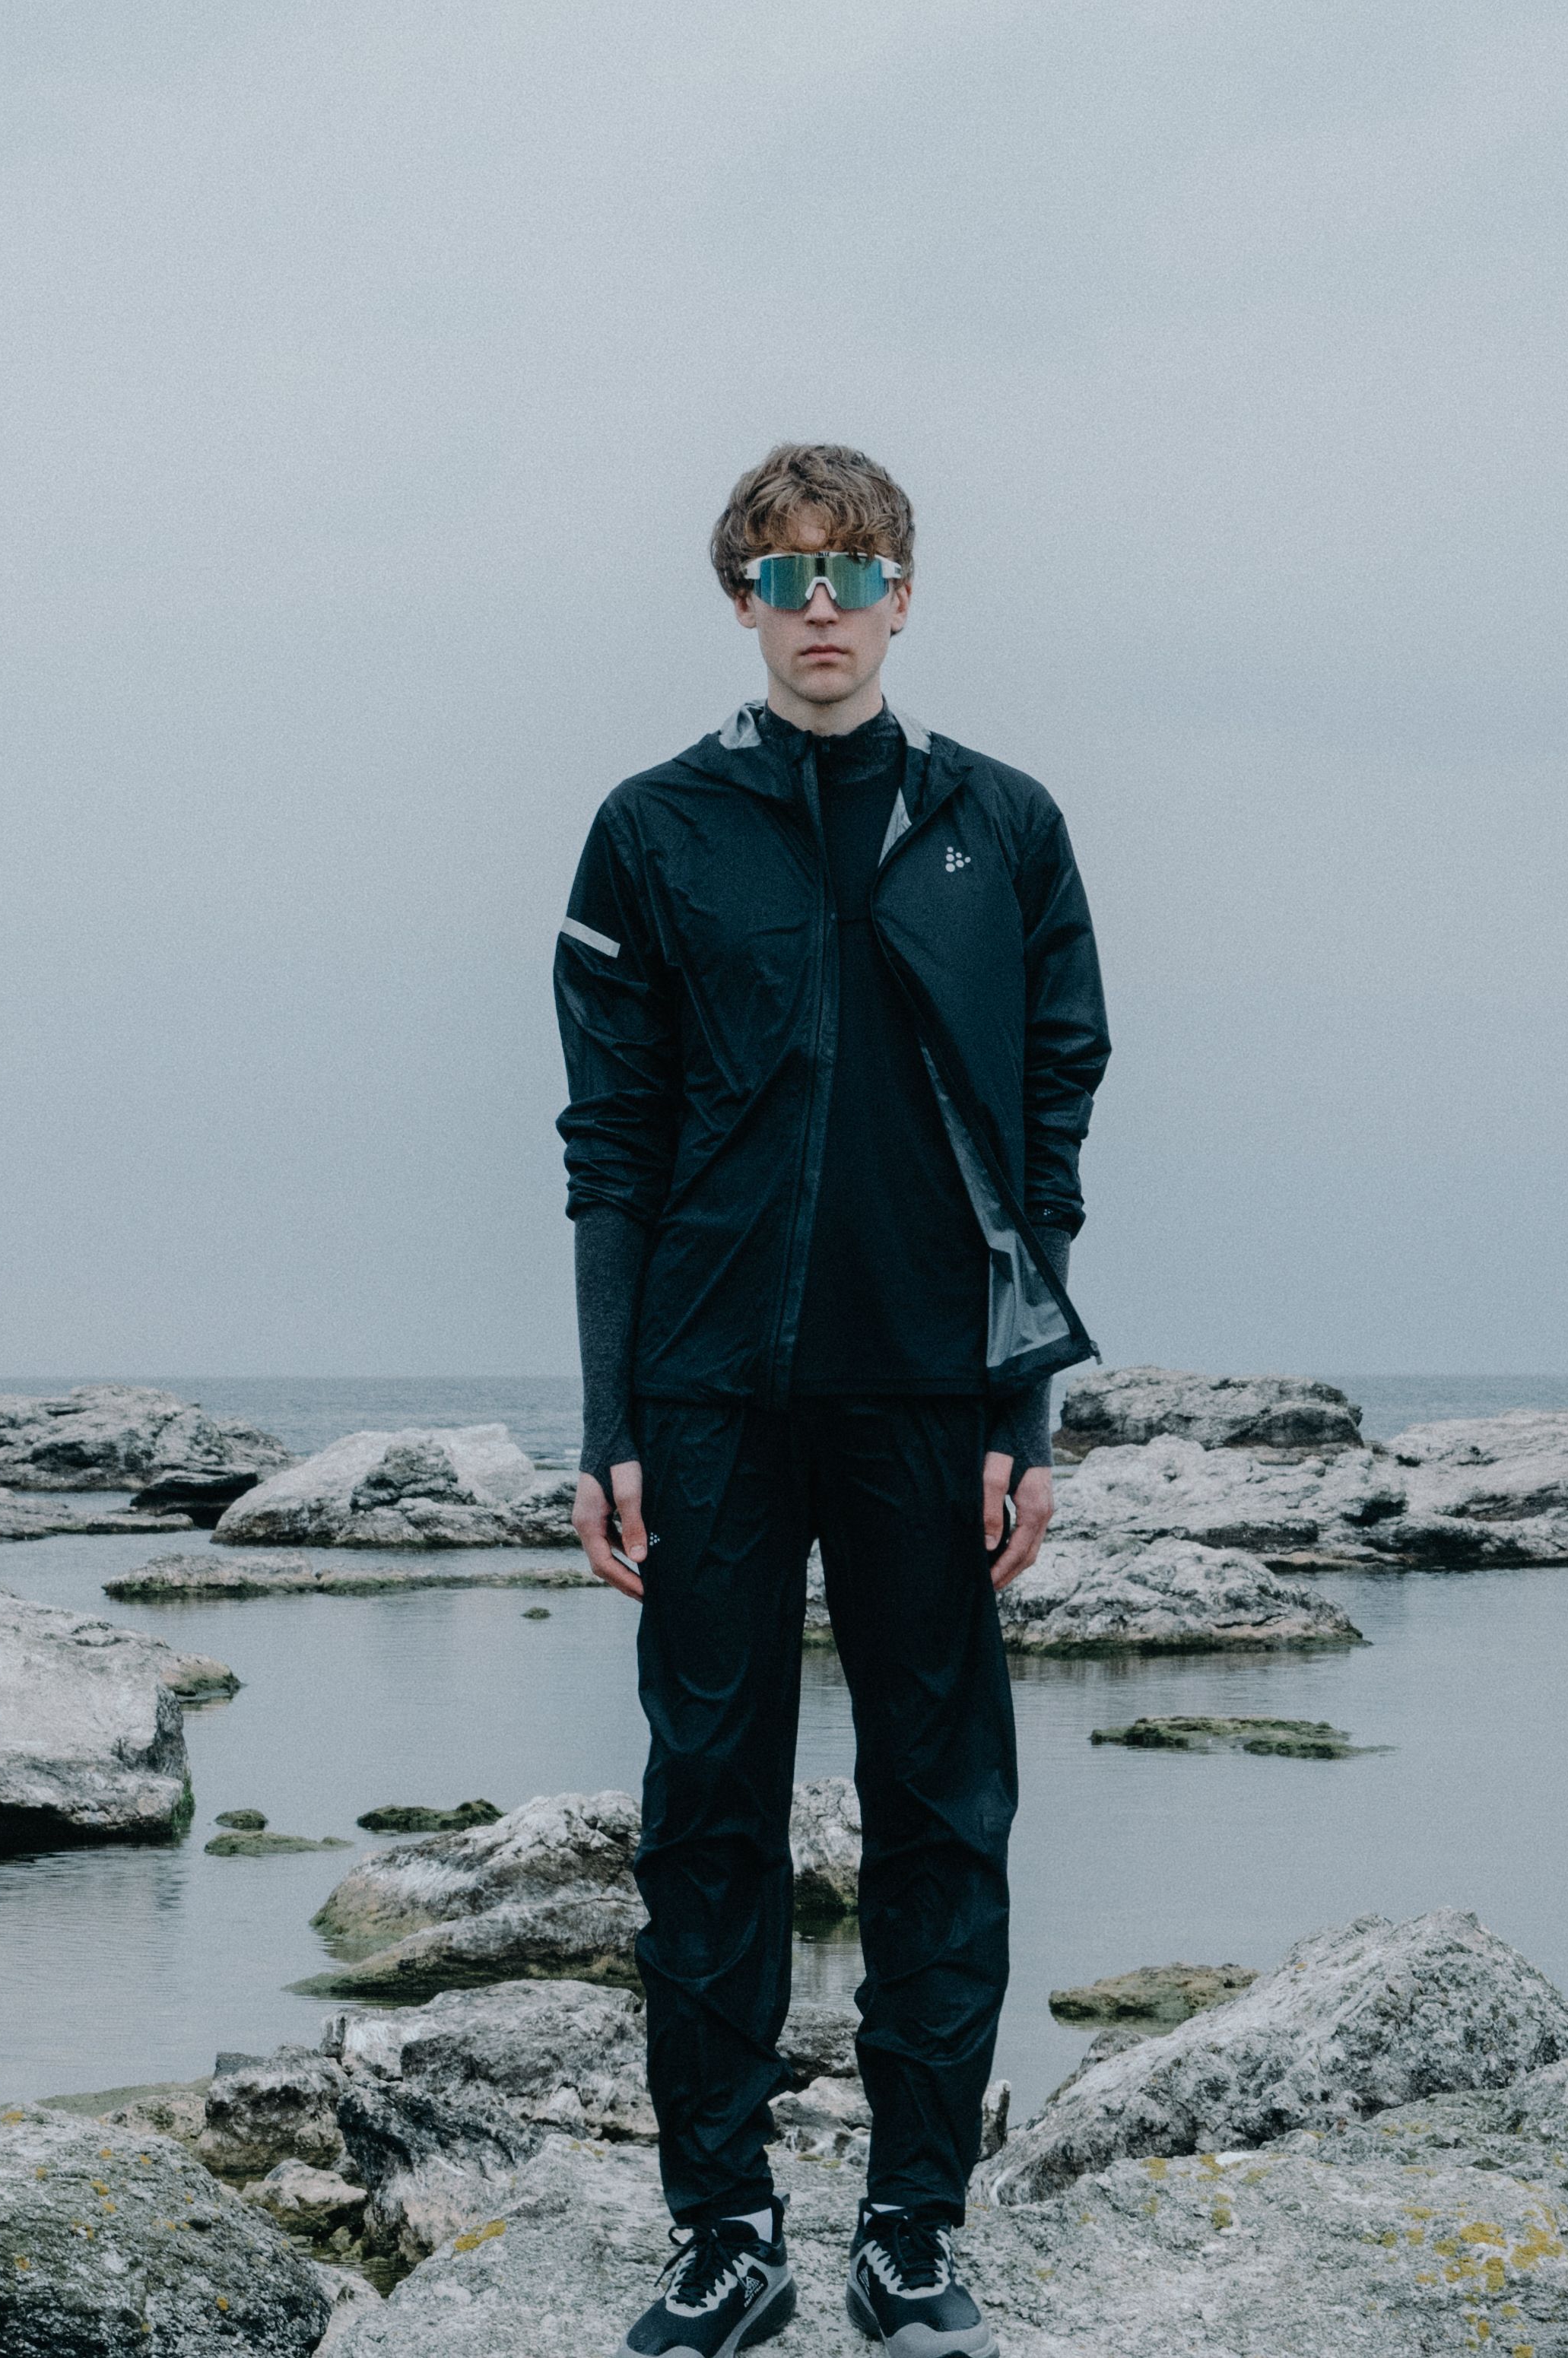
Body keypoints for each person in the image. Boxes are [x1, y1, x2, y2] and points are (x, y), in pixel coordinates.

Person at [554, 442, 1109, 2358]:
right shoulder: (651, 830)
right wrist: (609, 1414)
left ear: (901, 594)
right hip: (707, 1392)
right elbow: (607, 1144)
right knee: (704, 1813)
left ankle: (910, 2224)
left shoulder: (1000, 828)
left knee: (939, 1811)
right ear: (736, 600)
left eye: (849, 574)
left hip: (927, 1390)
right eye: (781, 578)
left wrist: (1020, 1420)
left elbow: (1048, 1134)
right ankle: (722, 2227)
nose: (818, 611)